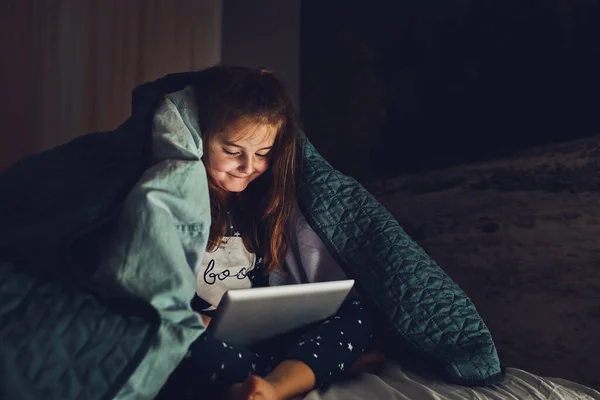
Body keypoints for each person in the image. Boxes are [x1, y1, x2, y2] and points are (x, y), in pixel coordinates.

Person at [159, 66, 379, 400]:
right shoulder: (176, 199)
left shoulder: (262, 204)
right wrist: (189, 319)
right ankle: (300, 373)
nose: (249, 167)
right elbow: (151, 291)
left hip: (262, 334)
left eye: (262, 154)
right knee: (169, 343)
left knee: (358, 314)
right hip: (200, 336)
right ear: (201, 137)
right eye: (233, 152)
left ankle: (274, 385)